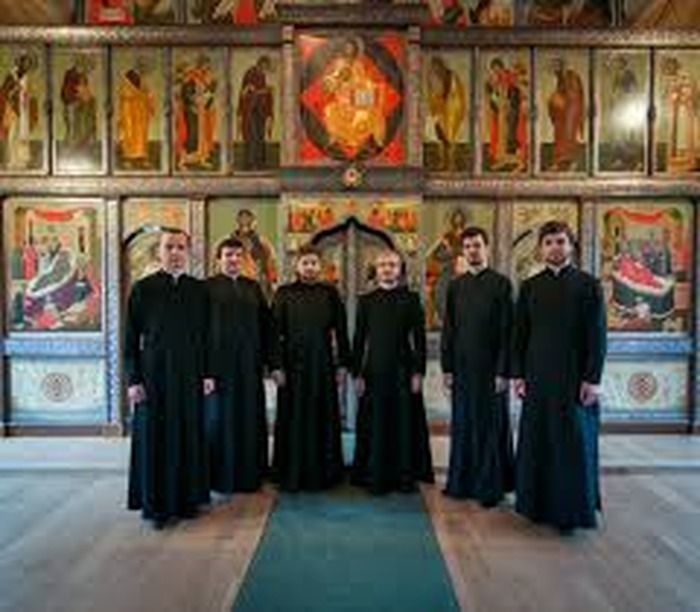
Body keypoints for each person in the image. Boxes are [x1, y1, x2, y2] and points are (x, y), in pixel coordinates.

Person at [513, 220, 607, 533]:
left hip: (574, 379)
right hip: (538, 377)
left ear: (571, 246)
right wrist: (519, 375)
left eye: (561, 241)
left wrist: (592, 379)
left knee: (572, 444)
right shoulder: (530, 287)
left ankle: (571, 512)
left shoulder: (587, 284)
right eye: (550, 242)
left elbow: (597, 336)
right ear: (541, 249)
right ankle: (535, 506)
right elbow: (520, 335)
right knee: (539, 441)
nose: (556, 247)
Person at [124, 230, 213, 528]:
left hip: (189, 374)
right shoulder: (143, 288)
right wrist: (133, 380)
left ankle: (188, 501)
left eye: (180, 248)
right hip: (153, 375)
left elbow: (207, 336)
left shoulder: (198, 290)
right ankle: (157, 506)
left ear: (188, 252)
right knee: (155, 438)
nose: (175, 252)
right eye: (169, 247)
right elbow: (130, 338)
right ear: (158, 252)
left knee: (188, 434)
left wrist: (208, 373)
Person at [441, 226, 514, 506]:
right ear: (463, 251)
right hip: (462, 368)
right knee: (463, 425)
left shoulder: (501, 284)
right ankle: (461, 483)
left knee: (490, 426)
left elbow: (508, 331)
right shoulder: (456, 286)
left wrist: (503, 370)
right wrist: (447, 369)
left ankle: (489, 487)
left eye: (477, 245)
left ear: (487, 248)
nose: (473, 250)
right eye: (468, 246)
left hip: (491, 370)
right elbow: (449, 329)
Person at [351, 249, 434, 494]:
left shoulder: (411, 299)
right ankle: (374, 474)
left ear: (400, 270)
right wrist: (357, 373)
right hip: (373, 371)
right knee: (375, 423)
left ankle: (403, 475)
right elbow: (359, 340)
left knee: (402, 423)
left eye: (393, 265)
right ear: (375, 270)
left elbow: (419, 339)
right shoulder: (366, 301)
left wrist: (419, 373)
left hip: (402, 371)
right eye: (383, 265)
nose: (387, 269)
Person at [270, 244, 349, 491]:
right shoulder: (283, 293)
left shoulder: (330, 293)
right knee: (293, 417)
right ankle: (291, 472)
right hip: (291, 367)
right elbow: (273, 333)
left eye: (314, 263)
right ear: (297, 265)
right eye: (305, 263)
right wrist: (276, 366)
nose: (310, 267)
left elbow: (341, 331)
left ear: (320, 266)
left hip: (323, 366)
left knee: (322, 416)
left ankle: (325, 472)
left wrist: (343, 365)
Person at [206, 238, 273, 494]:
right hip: (218, 369)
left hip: (249, 366)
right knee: (219, 421)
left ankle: (251, 475)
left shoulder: (253, 288)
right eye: (227, 255)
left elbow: (267, 326)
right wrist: (206, 371)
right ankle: (220, 477)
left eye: (237, 255)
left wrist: (272, 363)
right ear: (218, 259)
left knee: (249, 419)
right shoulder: (206, 288)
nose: (233, 259)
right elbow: (199, 333)